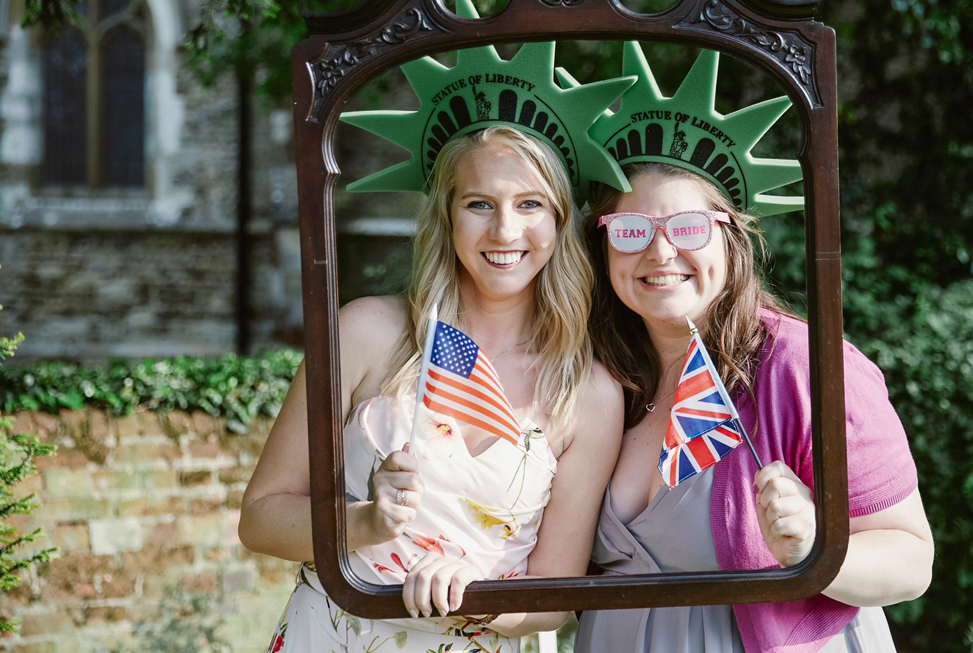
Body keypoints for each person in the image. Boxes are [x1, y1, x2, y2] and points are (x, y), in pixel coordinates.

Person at [240, 39, 631, 653]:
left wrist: (475, 592)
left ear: (559, 220)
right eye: (480, 204)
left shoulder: (587, 392)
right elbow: (261, 517)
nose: (505, 230)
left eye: (530, 204)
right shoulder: (365, 333)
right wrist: (366, 522)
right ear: (447, 216)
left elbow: (553, 601)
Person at [575, 43, 935, 653]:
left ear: (731, 240)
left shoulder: (799, 364)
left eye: (687, 228)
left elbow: (911, 559)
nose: (659, 254)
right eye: (631, 230)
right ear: (603, 246)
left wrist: (817, 548)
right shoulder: (599, 373)